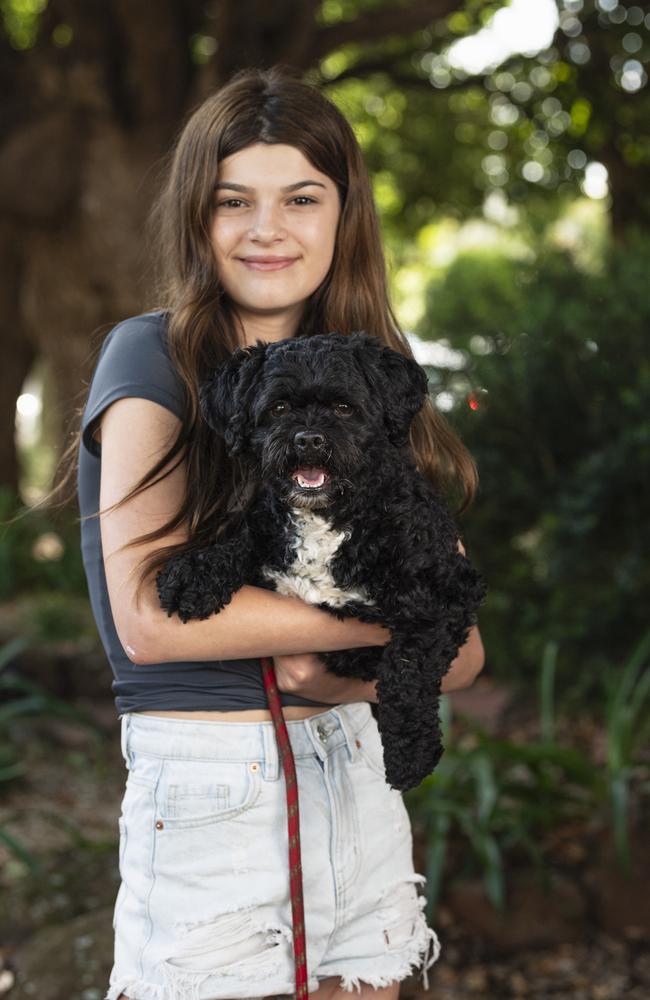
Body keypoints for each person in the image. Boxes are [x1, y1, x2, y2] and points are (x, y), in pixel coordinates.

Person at [71, 66, 485, 1000]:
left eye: (302, 197)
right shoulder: (153, 355)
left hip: (360, 761)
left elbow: (463, 653)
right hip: (218, 779)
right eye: (234, 201)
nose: (268, 229)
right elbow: (153, 624)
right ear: (196, 217)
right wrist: (362, 632)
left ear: (343, 217)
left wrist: (339, 655)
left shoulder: (369, 376)